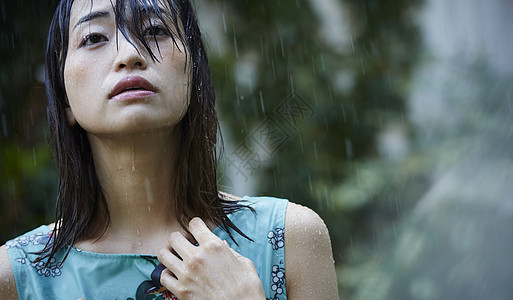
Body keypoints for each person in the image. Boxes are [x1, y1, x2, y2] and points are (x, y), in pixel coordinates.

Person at [0, 0, 338, 298]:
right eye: (94, 37)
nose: (129, 54)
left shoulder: (291, 240)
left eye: (156, 30)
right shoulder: (15, 278)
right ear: (63, 95)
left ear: (195, 75)